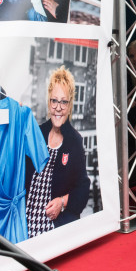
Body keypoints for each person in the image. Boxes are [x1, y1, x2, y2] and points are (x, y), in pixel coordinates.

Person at [25, 66, 90, 237]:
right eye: (54, 100)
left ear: (70, 106)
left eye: (64, 102)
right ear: (49, 102)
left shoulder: (74, 142)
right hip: (24, 226)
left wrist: (63, 201)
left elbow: (83, 189)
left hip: (52, 229)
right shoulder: (36, 133)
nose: (58, 107)